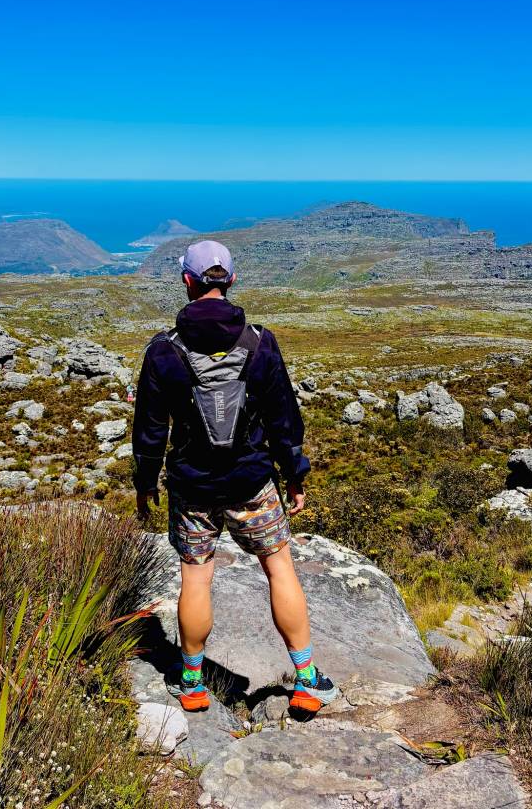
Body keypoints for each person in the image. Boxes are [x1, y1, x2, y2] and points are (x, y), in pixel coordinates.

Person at [132, 239, 337, 714]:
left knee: (196, 577)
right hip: (252, 482)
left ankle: (192, 683)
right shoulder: (260, 342)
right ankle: (307, 680)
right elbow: (284, 418)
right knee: (279, 568)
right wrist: (295, 475)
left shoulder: (163, 351)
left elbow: (149, 429)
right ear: (232, 280)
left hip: (192, 486)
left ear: (187, 281)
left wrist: (145, 484)